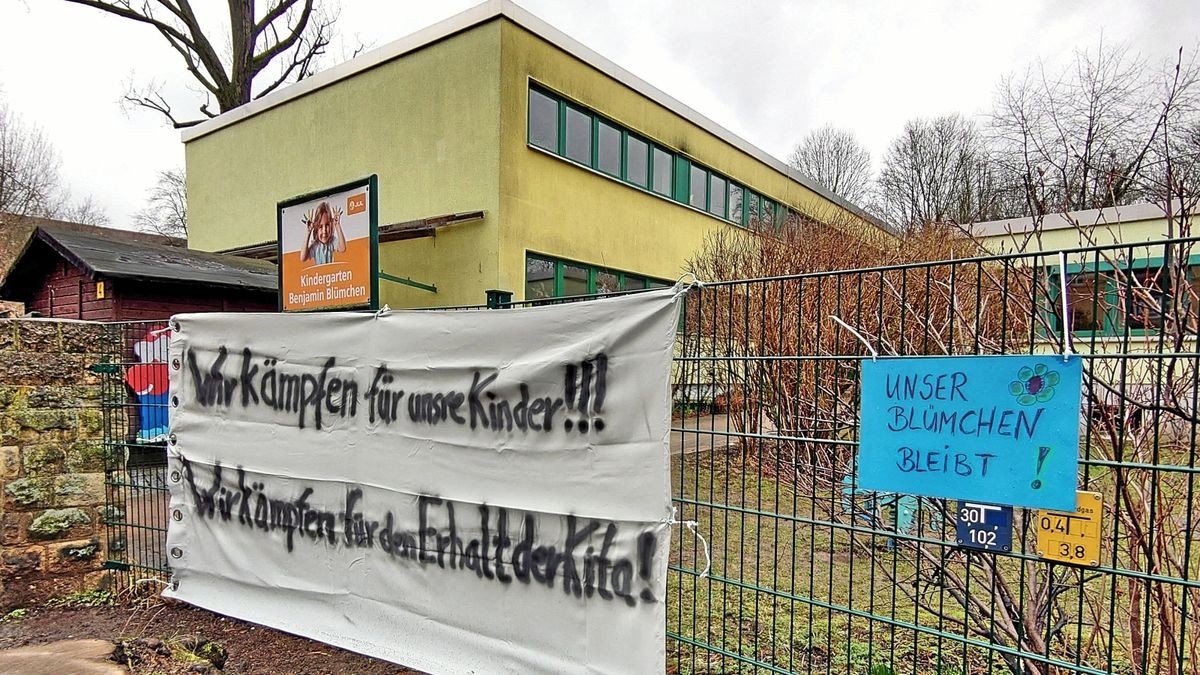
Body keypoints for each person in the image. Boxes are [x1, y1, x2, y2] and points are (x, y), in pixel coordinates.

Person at [301, 201, 347, 265]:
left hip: (330, 274)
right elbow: (303, 258)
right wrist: (308, 232)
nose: (324, 230)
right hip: (319, 274)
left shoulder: (332, 241)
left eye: (327, 225)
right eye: (320, 227)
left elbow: (342, 248)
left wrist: (337, 226)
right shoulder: (315, 245)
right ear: (316, 228)